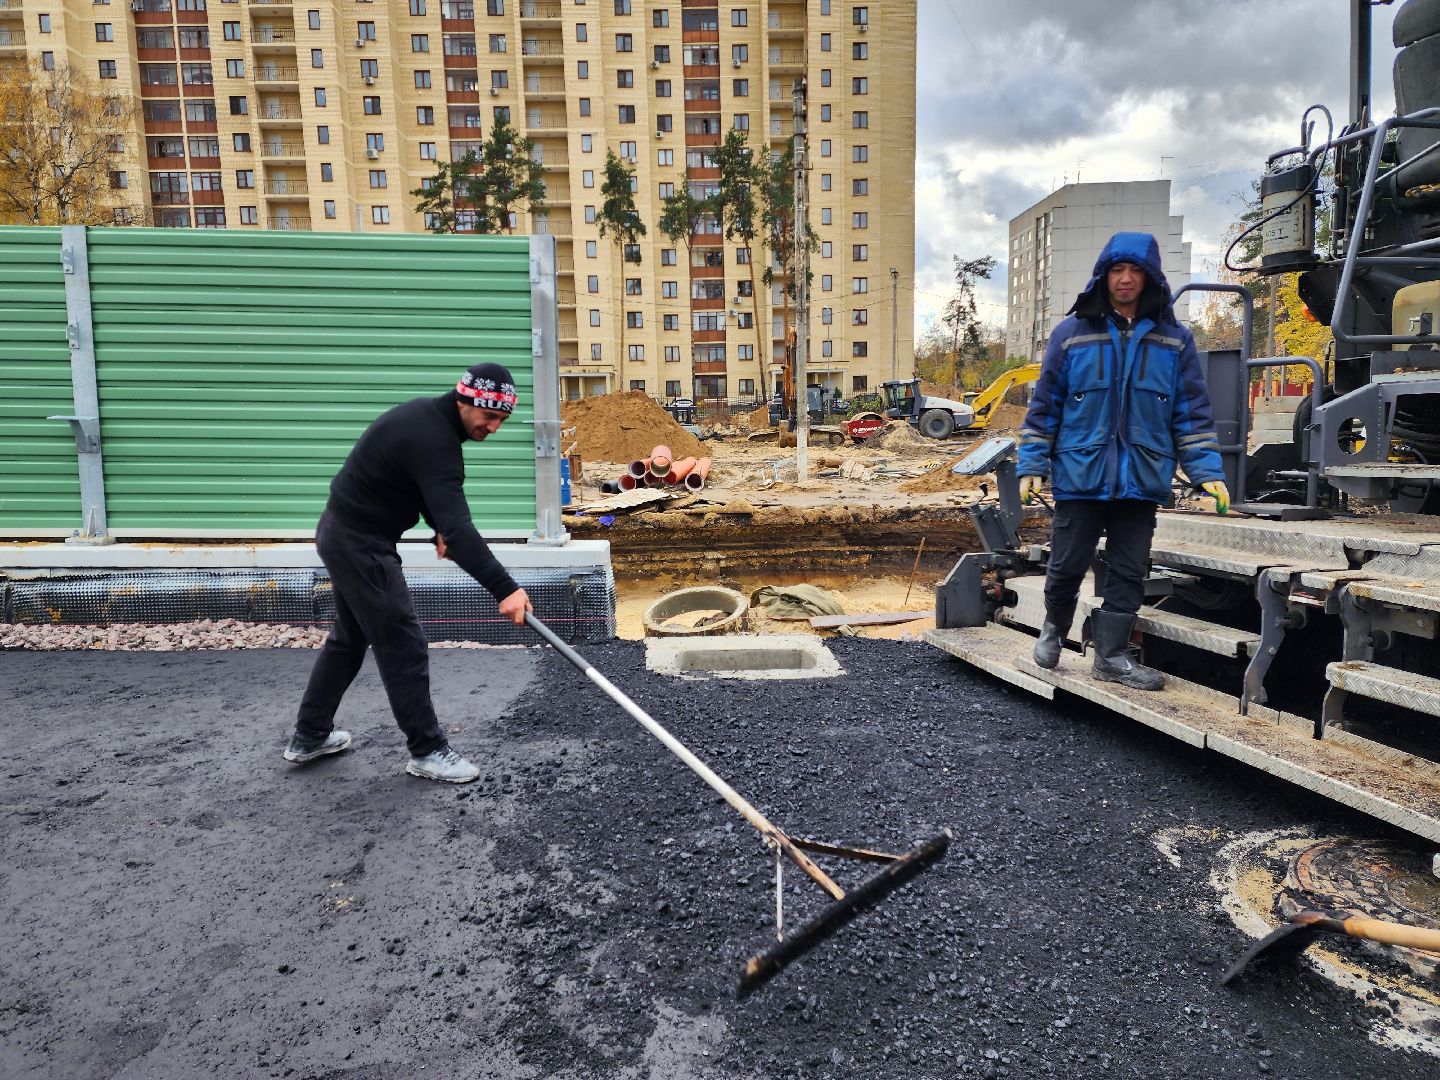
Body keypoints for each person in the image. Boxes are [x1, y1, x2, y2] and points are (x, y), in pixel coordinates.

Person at [282, 362, 533, 782]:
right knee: (402, 641)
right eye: (489, 416)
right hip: (360, 544)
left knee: (349, 638)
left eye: (502, 420)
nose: (494, 428)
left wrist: (438, 527)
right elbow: (460, 528)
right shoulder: (435, 441)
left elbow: (417, 487)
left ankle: (309, 735)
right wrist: (505, 589)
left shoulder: (427, 422)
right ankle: (427, 749)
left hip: (343, 533)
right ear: (465, 400)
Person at [1017, 232, 1229, 691]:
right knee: (1067, 564)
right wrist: (1032, 462)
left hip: (1142, 477)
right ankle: (1053, 630)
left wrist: (1207, 473)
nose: (1126, 279)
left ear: (1151, 278)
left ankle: (1111, 656)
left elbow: (1190, 413)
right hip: (1080, 474)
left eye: (1136, 271)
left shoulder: (1174, 341)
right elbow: (1045, 407)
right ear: (1104, 276)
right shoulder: (1071, 335)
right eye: (1118, 270)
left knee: (1130, 570)